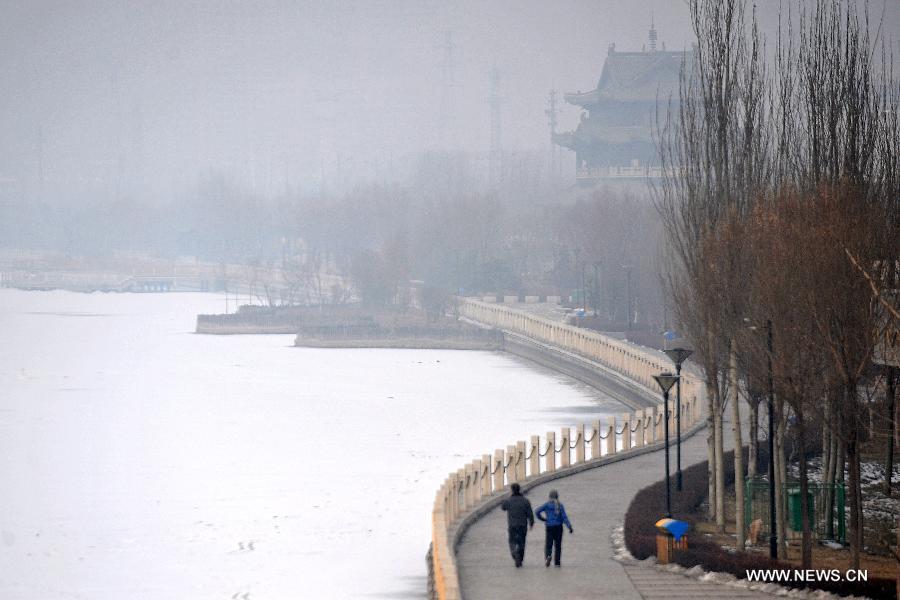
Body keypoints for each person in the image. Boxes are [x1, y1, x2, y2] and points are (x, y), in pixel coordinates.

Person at [535, 489, 573, 567]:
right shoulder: (560, 505)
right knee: (558, 545)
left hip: (549, 526)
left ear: (549, 497)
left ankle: (548, 556)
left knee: (548, 544)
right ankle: (557, 562)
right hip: (559, 527)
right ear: (557, 497)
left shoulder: (546, 505)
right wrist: (569, 527)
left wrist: (543, 519)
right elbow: (564, 517)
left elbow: (537, 511)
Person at [500, 482, 534, 567]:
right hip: (523, 525)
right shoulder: (525, 501)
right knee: (522, 542)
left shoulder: (509, 501)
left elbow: (503, 507)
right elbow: (530, 513)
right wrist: (531, 523)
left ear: (511, 490)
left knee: (512, 541)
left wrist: (505, 498)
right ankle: (520, 558)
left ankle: (515, 553)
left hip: (512, 525)